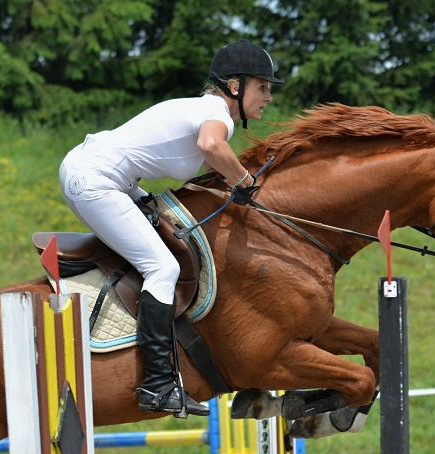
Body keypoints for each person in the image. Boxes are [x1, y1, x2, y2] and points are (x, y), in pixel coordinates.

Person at [58, 40, 283, 417]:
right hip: (96, 180)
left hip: (110, 177)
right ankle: (158, 385)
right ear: (234, 87)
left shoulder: (203, 109)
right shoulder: (217, 116)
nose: (269, 97)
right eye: (262, 87)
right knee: (163, 268)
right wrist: (244, 181)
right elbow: (210, 145)